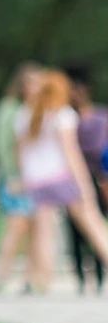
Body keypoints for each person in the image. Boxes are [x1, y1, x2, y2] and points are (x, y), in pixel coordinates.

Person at [15, 69, 108, 293]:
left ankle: (43, 283)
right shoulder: (62, 114)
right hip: (61, 178)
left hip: (37, 181)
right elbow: (71, 153)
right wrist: (85, 186)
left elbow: (20, 154)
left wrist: (25, 180)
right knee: (93, 225)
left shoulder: (24, 115)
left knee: (44, 234)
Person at [0, 63, 40, 293]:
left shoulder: (34, 110)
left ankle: (30, 278)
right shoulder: (9, 109)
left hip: (34, 178)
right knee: (15, 226)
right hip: (14, 178)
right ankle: (1, 276)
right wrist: (12, 175)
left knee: (33, 230)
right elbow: (2, 146)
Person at [63, 65, 107, 293]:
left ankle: (100, 275)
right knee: (74, 231)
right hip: (70, 178)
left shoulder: (100, 117)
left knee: (95, 223)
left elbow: (99, 149)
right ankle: (80, 278)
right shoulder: (65, 117)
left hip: (96, 177)